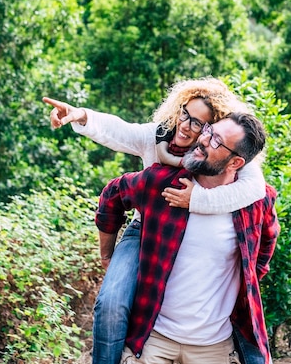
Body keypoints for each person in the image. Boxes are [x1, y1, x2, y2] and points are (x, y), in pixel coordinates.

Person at [42, 78, 266, 364]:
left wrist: (196, 200)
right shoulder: (159, 137)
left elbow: (255, 189)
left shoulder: (213, 155)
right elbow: (120, 132)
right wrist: (82, 115)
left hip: (192, 237)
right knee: (111, 303)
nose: (186, 125)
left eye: (199, 123)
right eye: (185, 114)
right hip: (145, 229)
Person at [96, 112, 279, 364]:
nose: (203, 140)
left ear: (235, 163)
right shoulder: (162, 183)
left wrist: (245, 280)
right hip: (153, 340)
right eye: (209, 131)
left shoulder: (254, 203)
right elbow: (112, 196)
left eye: (216, 141)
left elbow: (265, 246)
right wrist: (107, 254)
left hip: (214, 347)